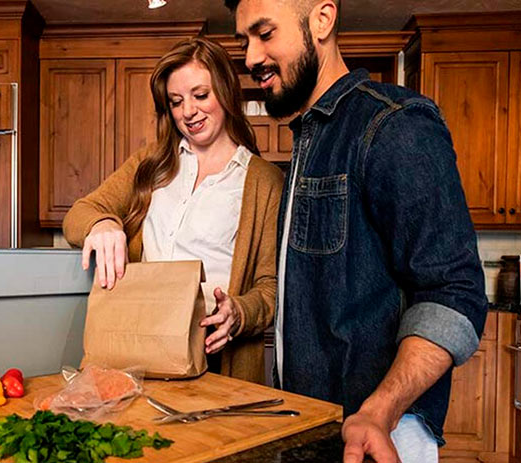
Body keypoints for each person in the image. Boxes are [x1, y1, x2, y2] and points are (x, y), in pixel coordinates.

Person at [223, 0, 488, 462]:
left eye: (265, 34)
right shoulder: (309, 138)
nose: (250, 57)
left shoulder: (393, 124)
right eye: (245, 39)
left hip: (378, 436)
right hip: (314, 428)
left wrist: (379, 411)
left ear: (322, 20)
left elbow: (454, 292)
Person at [63, 37, 284, 384]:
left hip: (215, 361)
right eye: (176, 101)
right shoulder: (151, 164)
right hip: (136, 350)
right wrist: (103, 222)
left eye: (200, 95)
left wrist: (238, 312)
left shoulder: (264, 182)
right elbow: (79, 214)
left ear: (225, 91)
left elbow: (271, 286)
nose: (188, 112)